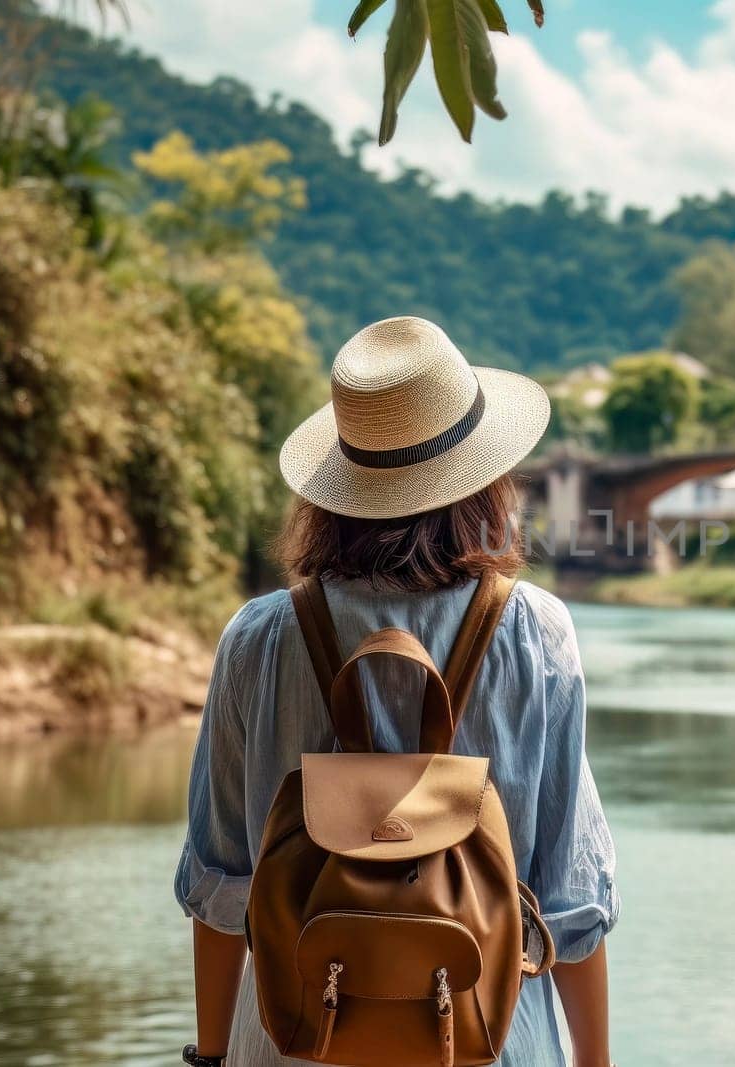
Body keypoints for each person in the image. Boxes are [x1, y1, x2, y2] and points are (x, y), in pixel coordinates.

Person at [174, 316, 618, 1067]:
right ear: (483, 477)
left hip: (294, 1039)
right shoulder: (535, 631)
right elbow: (570, 899)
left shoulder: (257, 638)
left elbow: (220, 886)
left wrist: (213, 1056)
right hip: (488, 1035)